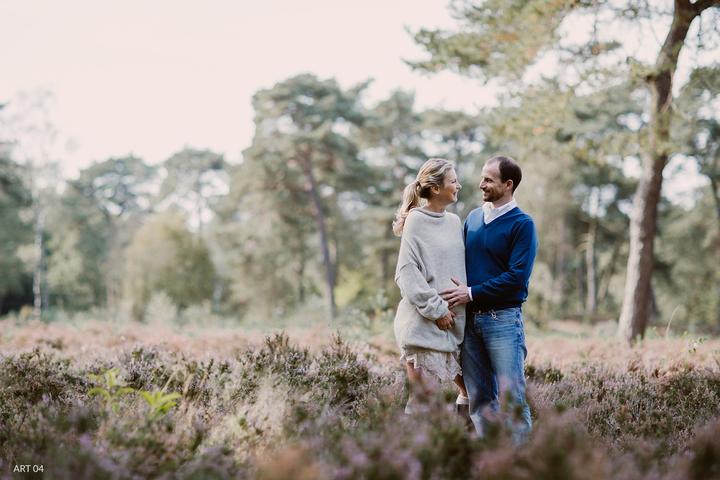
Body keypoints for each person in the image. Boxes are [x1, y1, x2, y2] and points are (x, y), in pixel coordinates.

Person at [440, 155, 538, 443]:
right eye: (482, 178)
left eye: (488, 180)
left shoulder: (522, 224)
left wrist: (471, 293)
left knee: (512, 399)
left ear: (508, 185)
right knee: (480, 399)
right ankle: (493, 458)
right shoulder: (472, 218)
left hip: (503, 321)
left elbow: (516, 278)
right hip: (469, 322)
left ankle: (520, 462)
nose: (481, 184)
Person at [392, 158, 469, 415]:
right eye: (453, 181)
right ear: (436, 188)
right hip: (423, 325)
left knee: (470, 391)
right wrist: (438, 310)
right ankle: (416, 442)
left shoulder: (454, 222)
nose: (459, 185)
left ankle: (465, 437)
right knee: (422, 401)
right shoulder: (416, 220)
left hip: (455, 328)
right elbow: (407, 273)